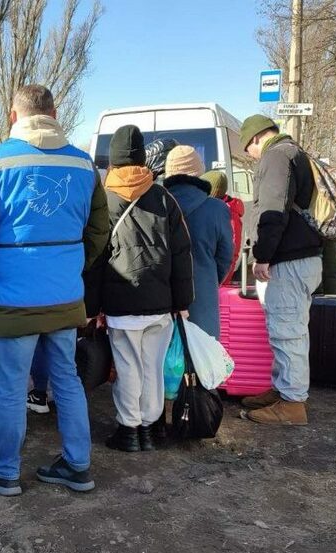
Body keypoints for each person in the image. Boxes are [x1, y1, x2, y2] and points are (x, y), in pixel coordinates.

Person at [0, 85, 109, 496]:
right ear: (54, 113)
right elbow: (99, 233)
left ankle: (5, 472)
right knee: (68, 378)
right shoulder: (84, 166)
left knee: (10, 387)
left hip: (13, 298)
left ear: (12, 116)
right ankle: (77, 465)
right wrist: (70, 265)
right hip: (63, 297)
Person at [92, 125, 194, 453]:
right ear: (141, 157)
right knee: (153, 366)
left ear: (114, 158)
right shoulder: (165, 198)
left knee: (128, 368)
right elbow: (181, 254)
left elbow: (94, 260)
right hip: (160, 306)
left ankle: (129, 429)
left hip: (120, 305)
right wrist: (182, 301)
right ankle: (151, 428)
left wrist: (92, 307)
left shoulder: (103, 199)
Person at [238, 115, 323, 426]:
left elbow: (272, 209)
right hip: (303, 258)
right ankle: (282, 390)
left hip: (289, 259)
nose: (250, 155)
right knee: (288, 328)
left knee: (288, 332)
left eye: (248, 149)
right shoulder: (294, 152)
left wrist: (262, 254)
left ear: (257, 138)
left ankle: (291, 403)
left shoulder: (276, 156)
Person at [163, 146, 233, 339]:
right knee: (203, 363)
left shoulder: (157, 205)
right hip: (203, 299)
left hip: (162, 300)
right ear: (198, 172)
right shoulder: (217, 208)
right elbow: (225, 256)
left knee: (164, 364)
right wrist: (209, 279)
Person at [202, 170, 244, 286]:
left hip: (217, 279)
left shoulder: (229, 213)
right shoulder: (213, 208)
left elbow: (231, 252)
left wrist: (220, 280)